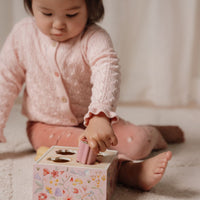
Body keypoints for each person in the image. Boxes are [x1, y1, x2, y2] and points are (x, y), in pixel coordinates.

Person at [0, 0, 184, 191]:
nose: (58, 24)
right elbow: (5, 80)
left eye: (71, 15)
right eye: (46, 14)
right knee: (83, 149)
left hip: (95, 121)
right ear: (31, 6)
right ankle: (126, 171)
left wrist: (100, 116)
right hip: (45, 125)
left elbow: (106, 70)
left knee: (137, 144)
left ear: (91, 8)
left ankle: (154, 133)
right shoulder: (22, 36)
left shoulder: (94, 38)